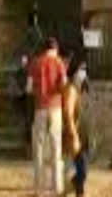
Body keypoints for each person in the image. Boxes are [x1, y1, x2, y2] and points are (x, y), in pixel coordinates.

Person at [28, 37, 67, 196]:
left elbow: (29, 88)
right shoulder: (60, 63)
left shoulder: (35, 63)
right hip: (56, 108)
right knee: (56, 147)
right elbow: (64, 85)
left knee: (39, 148)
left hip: (40, 108)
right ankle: (57, 186)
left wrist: (38, 92)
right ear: (55, 48)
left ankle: (39, 187)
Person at [63, 62, 89, 197]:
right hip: (74, 132)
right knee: (81, 166)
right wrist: (72, 132)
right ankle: (71, 188)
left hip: (80, 132)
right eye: (81, 70)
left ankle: (77, 190)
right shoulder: (71, 90)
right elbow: (68, 112)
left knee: (81, 166)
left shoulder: (77, 90)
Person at [13, 54, 33, 153]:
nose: (23, 63)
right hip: (22, 100)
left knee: (29, 124)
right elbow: (15, 85)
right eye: (22, 61)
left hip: (30, 101)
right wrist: (20, 92)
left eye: (25, 61)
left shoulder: (31, 72)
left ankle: (28, 147)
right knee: (26, 124)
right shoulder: (18, 73)